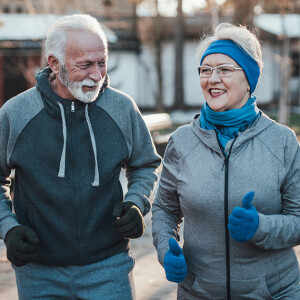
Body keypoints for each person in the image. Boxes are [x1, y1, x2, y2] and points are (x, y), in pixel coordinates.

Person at [0, 14, 161, 299]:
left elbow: (145, 164)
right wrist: (8, 228)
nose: (97, 75)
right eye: (85, 65)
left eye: (102, 62)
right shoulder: (16, 114)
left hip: (108, 268)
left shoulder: (121, 108)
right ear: (54, 63)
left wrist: (136, 203)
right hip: (38, 273)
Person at [152, 23, 300, 299]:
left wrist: (261, 227)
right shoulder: (182, 142)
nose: (213, 78)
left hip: (274, 293)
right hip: (198, 293)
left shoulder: (282, 141)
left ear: (249, 78)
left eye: (225, 69)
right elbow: (164, 209)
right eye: (206, 70)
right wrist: (165, 249)